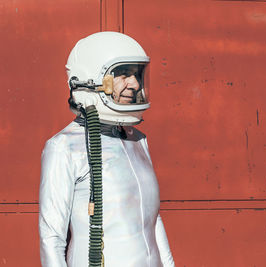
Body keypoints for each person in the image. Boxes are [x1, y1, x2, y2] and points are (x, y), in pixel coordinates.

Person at [39, 31, 175, 267]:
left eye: (136, 75)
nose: (134, 83)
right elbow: (52, 238)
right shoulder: (63, 147)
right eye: (123, 74)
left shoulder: (138, 140)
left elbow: (152, 221)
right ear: (90, 78)